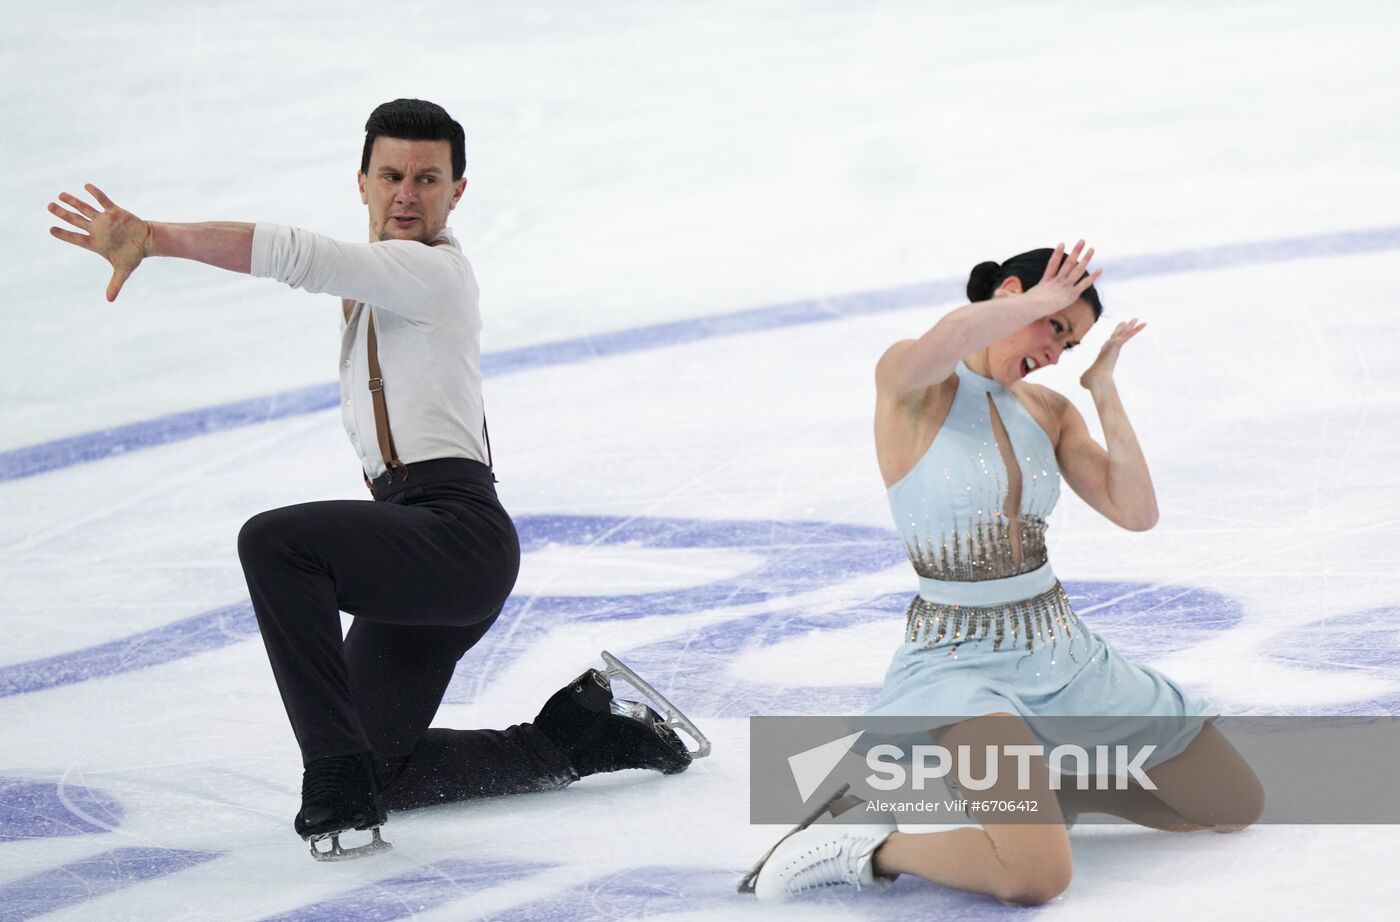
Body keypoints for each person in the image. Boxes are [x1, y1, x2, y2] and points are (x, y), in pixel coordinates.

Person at [47, 98, 707, 861]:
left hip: (455, 535)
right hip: (420, 550)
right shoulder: (379, 287)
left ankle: (332, 776)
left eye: (428, 178)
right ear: (361, 181)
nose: (407, 193)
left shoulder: (430, 273)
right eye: (391, 175)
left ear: (458, 191)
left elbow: (298, 254)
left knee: (278, 544)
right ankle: (581, 735)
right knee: (384, 767)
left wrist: (156, 237)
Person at [743, 242, 1262, 904]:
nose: (1054, 353)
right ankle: (863, 844)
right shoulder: (914, 385)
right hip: (961, 665)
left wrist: (1100, 390)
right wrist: (1035, 303)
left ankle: (1045, 793)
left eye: (1068, 343)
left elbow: (1137, 512)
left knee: (1231, 801)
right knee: (1036, 877)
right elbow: (947, 341)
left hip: (1060, 651)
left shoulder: (1048, 412)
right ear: (1011, 293)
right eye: (1054, 327)